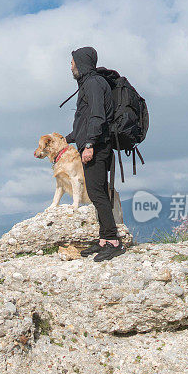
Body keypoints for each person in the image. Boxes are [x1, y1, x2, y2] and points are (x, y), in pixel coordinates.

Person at [64, 46, 125, 262]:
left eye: (72, 62)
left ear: (81, 63)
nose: (70, 66)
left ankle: (113, 242)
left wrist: (89, 144)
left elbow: (98, 116)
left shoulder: (93, 83)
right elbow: (85, 119)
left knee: (98, 194)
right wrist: (69, 138)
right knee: (96, 192)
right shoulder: (90, 83)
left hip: (98, 147)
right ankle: (103, 240)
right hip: (95, 144)